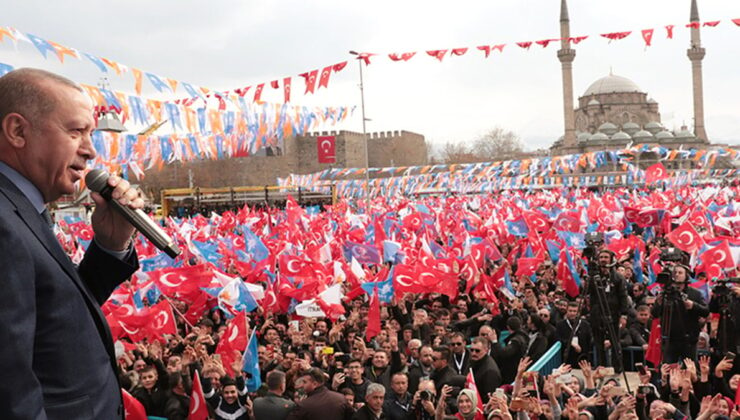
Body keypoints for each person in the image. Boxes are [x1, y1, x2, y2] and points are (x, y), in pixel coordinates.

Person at [0, 68, 142, 418]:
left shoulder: (24, 210)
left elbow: (57, 313)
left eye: (91, 134)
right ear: (18, 131)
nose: (91, 151)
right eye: (76, 131)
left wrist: (110, 245)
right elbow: (10, 395)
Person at [651, 264, 709, 363]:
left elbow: (706, 311)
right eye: (675, 273)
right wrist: (658, 304)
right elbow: (654, 314)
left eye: (680, 272)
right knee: (668, 369)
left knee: (689, 369)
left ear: (686, 275)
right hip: (670, 340)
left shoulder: (695, 293)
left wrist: (693, 306)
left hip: (689, 339)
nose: (677, 275)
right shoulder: (665, 293)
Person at [587, 249, 629, 371]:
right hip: (597, 314)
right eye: (601, 257)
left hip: (613, 314)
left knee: (615, 342)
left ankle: (617, 367)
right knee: (598, 343)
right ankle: (601, 367)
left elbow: (623, 297)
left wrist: (624, 315)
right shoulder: (594, 276)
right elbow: (587, 291)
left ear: (611, 259)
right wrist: (590, 276)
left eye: (606, 257)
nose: (603, 259)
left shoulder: (618, 277)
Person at [288, 367, 354, 420]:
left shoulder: (304, 405)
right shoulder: (341, 398)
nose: (302, 385)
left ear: (315, 384)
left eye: (305, 382)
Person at [467, 337, 501, 403]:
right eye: (471, 350)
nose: (474, 353)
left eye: (477, 351)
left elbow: (490, 398)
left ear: (486, 350)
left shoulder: (490, 371)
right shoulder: (473, 361)